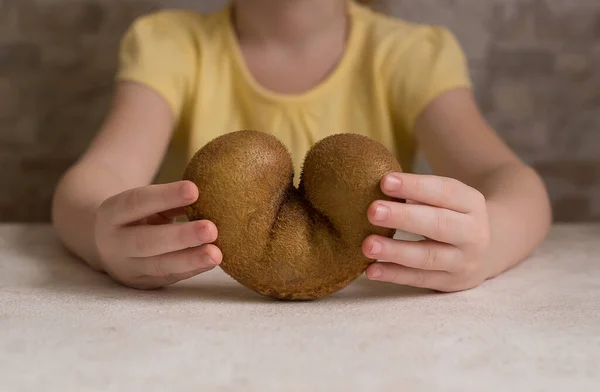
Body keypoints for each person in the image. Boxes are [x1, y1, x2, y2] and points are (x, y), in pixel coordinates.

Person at [51, 0, 552, 293]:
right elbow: (99, 174)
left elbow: (510, 180)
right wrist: (102, 236)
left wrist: (493, 240)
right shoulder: (170, 45)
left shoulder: (410, 56)